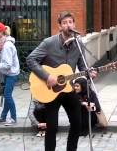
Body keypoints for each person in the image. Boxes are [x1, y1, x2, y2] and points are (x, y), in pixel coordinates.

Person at [26, 11, 97, 151]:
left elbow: (82, 67)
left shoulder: (78, 44)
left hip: (68, 89)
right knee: (52, 127)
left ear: (74, 24)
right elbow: (30, 59)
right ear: (59, 26)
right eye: (64, 23)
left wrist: (89, 74)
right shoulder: (49, 43)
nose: (68, 25)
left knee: (77, 123)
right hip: (50, 91)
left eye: (70, 22)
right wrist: (47, 76)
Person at [0, 22, 20, 126]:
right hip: (8, 73)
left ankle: (13, 118)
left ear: (0, 32)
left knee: (7, 96)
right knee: (7, 96)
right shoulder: (4, 44)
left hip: (11, 74)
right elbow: (3, 59)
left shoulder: (6, 46)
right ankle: (2, 118)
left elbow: (7, 64)